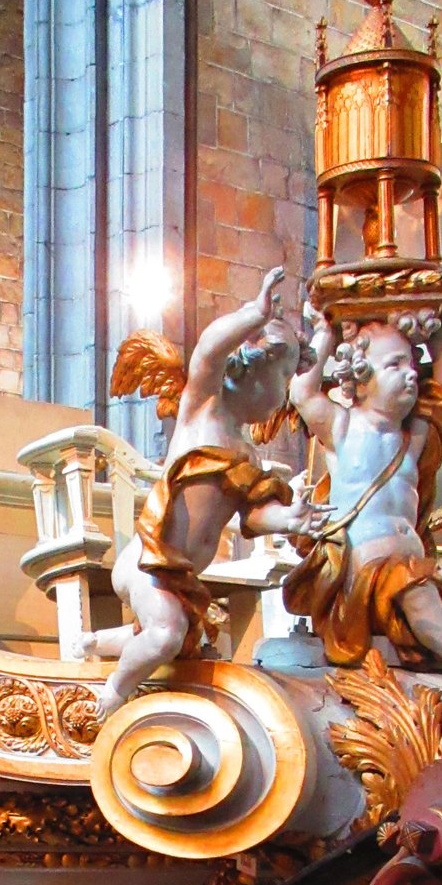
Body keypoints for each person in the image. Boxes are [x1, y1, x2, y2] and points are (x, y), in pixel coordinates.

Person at [84, 265, 324, 718]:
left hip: (183, 577)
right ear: (249, 367)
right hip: (147, 563)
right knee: (166, 635)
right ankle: (114, 690)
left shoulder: (248, 456)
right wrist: (254, 314)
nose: (283, 393)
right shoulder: (203, 409)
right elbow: (209, 351)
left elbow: (253, 518)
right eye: (283, 376)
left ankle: (97, 642)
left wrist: (290, 520)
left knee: (182, 642)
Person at [282, 307, 442, 684]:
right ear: (360, 375)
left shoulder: (411, 441)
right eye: (395, 365)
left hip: (413, 571)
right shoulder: (342, 427)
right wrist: (325, 333)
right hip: (365, 583)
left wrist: (438, 337)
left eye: (412, 364)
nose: (410, 373)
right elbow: (302, 392)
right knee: (414, 589)